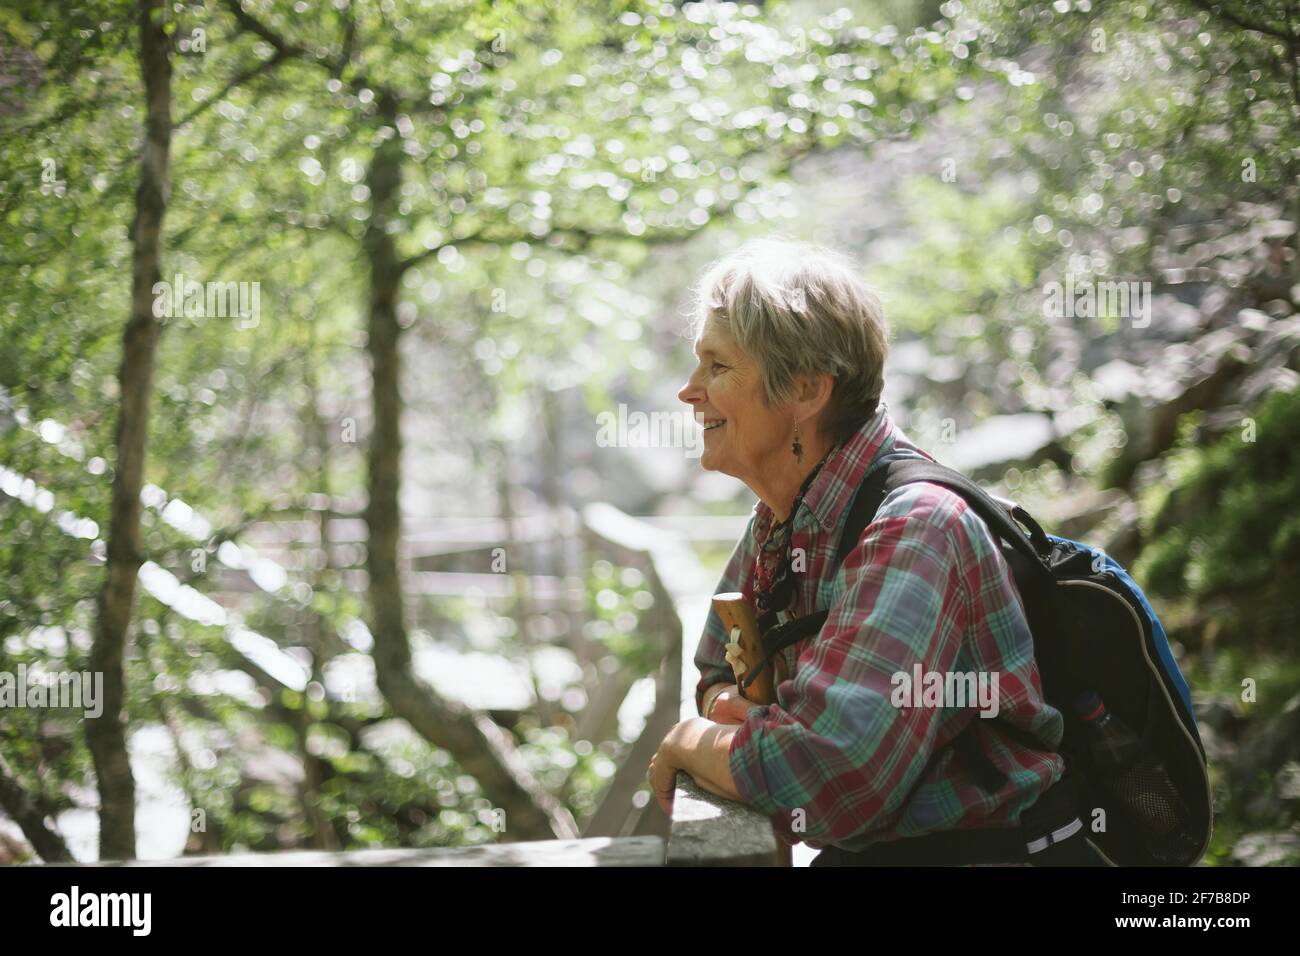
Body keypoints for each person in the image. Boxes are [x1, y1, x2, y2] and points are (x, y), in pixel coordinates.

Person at [646, 236, 1083, 865]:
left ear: (803, 390)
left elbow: (832, 780)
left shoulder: (918, 530)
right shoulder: (781, 516)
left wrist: (693, 741)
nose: (689, 392)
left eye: (717, 367)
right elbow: (719, 664)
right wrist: (743, 718)